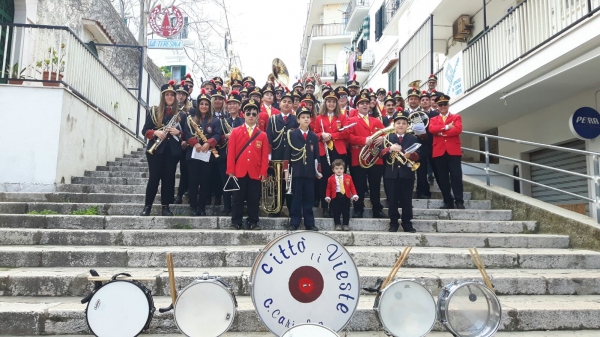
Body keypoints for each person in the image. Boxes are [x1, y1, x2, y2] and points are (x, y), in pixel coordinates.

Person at [140, 80, 186, 216]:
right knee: (154, 177)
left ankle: (165, 207)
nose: (170, 97)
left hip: (172, 151)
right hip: (156, 150)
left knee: (169, 178)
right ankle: (147, 206)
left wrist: (179, 133)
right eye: (167, 95)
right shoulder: (154, 110)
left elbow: (186, 134)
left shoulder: (182, 114)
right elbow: (145, 130)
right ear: (163, 96)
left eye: (172, 95)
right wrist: (155, 132)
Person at [227, 99, 270, 230]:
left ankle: (253, 222)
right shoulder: (235, 131)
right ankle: (236, 222)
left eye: (254, 113)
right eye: (248, 113)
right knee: (237, 198)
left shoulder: (262, 135)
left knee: (254, 198)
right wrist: (230, 169)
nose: (251, 115)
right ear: (243, 115)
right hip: (239, 170)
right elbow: (231, 153)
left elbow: (264, 156)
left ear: (257, 116)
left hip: (255, 171)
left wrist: (263, 172)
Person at [345, 90, 387, 219]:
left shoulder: (376, 120)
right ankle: (358, 208)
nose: (364, 105)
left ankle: (377, 209)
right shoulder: (351, 120)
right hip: (358, 156)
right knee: (359, 184)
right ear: (356, 107)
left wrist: (383, 138)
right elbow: (347, 136)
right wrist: (363, 140)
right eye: (361, 103)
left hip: (375, 157)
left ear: (370, 106)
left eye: (366, 103)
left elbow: (385, 133)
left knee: (375, 184)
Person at [182, 89, 222, 216]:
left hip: (207, 155)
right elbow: (186, 132)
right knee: (193, 181)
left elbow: (217, 134)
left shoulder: (215, 120)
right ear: (198, 105)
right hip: (193, 154)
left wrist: (208, 143)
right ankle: (193, 207)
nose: (204, 106)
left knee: (205, 181)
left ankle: (202, 207)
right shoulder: (190, 119)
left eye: (206, 104)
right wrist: (196, 143)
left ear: (209, 106)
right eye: (201, 104)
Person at [379, 114, 420, 233]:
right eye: (398, 123)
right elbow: (381, 154)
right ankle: (393, 222)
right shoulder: (388, 137)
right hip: (391, 173)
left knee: (407, 199)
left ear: (407, 125)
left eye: (403, 123)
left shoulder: (412, 138)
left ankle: (407, 223)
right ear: (394, 125)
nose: (401, 125)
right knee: (392, 199)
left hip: (407, 173)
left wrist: (410, 155)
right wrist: (390, 149)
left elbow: (419, 155)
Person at [284, 103, 322, 231]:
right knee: (295, 198)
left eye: (308, 117)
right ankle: (294, 222)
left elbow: (316, 155)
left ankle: (309, 223)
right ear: (298, 119)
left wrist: (318, 171)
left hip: (310, 172)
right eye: (303, 117)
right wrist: (286, 171)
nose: (306, 119)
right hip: (296, 171)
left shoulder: (313, 136)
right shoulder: (292, 134)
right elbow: (287, 154)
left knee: (309, 198)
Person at [315, 89, 349, 218]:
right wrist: (321, 135)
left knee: (338, 179)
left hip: (338, 151)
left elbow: (346, 133)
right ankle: (325, 207)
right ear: (325, 103)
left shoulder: (342, 116)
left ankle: (338, 207)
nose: (331, 104)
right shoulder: (319, 118)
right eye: (329, 101)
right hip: (324, 151)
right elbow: (315, 133)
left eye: (333, 102)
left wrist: (331, 135)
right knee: (324, 180)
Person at [266, 87, 299, 216]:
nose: (286, 104)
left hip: (291, 158)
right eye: (284, 101)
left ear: (292, 105)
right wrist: (269, 157)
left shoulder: (296, 119)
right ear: (279, 103)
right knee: (277, 184)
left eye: (289, 102)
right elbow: (269, 139)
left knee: (290, 184)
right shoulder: (273, 119)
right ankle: (276, 208)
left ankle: (292, 210)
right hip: (277, 156)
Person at [428, 94, 464, 209]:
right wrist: (448, 127)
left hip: (453, 151)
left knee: (456, 176)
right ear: (437, 106)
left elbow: (458, 129)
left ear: (448, 105)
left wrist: (442, 132)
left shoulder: (456, 117)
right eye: (440, 105)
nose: (443, 106)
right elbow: (432, 129)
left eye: (445, 104)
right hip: (439, 151)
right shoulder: (433, 119)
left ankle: (459, 201)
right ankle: (448, 200)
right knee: (442, 178)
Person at [217, 90, 245, 215]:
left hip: (239, 157)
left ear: (239, 106)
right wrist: (225, 137)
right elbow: (217, 137)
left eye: (235, 103)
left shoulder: (244, 122)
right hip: (225, 155)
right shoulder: (222, 121)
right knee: (225, 181)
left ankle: (237, 206)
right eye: (230, 104)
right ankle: (226, 206)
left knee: (239, 183)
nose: (232, 106)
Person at [325, 159, 358, 231]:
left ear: (344, 169)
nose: (339, 170)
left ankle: (345, 224)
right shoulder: (330, 179)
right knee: (336, 211)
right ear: (333, 170)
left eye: (341, 168)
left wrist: (354, 194)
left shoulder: (348, 177)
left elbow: (352, 186)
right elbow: (328, 188)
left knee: (346, 211)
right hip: (335, 196)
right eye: (336, 169)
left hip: (345, 196)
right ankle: (337, 224)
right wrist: (327, 196)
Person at [174, 81, 192, 205]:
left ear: (186, 96)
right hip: (172, 145)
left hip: (184, 145)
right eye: (178, 93)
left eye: (183, 94)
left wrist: (185, 139)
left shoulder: (189, 111)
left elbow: (190, 129)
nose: (180, 96)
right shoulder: (170, 109)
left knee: (185, 171)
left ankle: (180, 194)